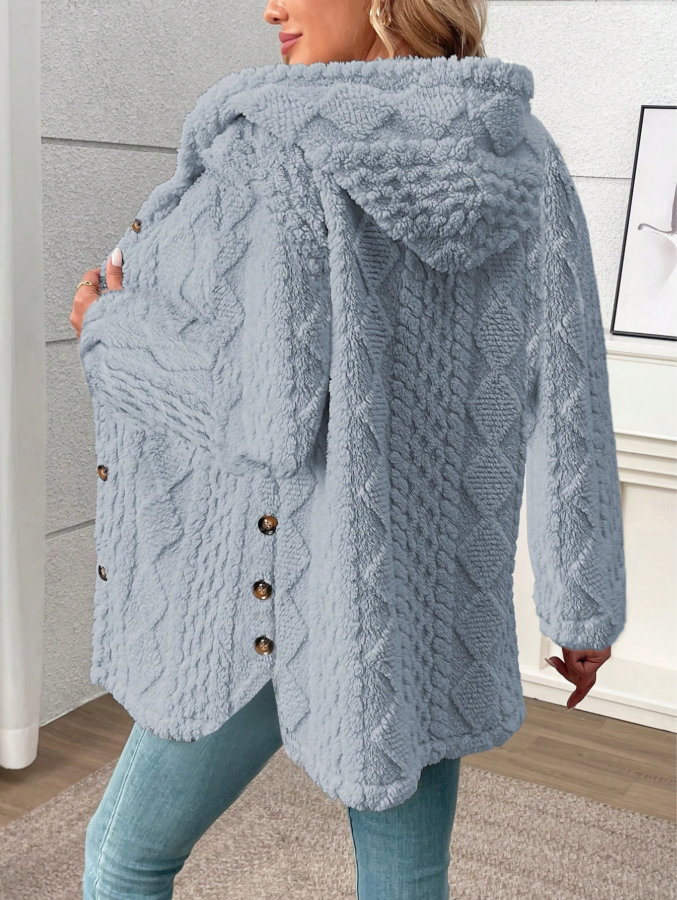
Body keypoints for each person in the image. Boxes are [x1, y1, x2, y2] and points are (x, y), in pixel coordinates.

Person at [69, 0, 626, 897]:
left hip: (267, 583)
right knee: (405, 881)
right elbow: (570, 394)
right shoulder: (522, 154)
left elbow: (256, 410)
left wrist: (108, 329)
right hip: (422, 604)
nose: (270, 7)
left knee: (124, 858)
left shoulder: (273, 147)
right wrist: (582, 606)